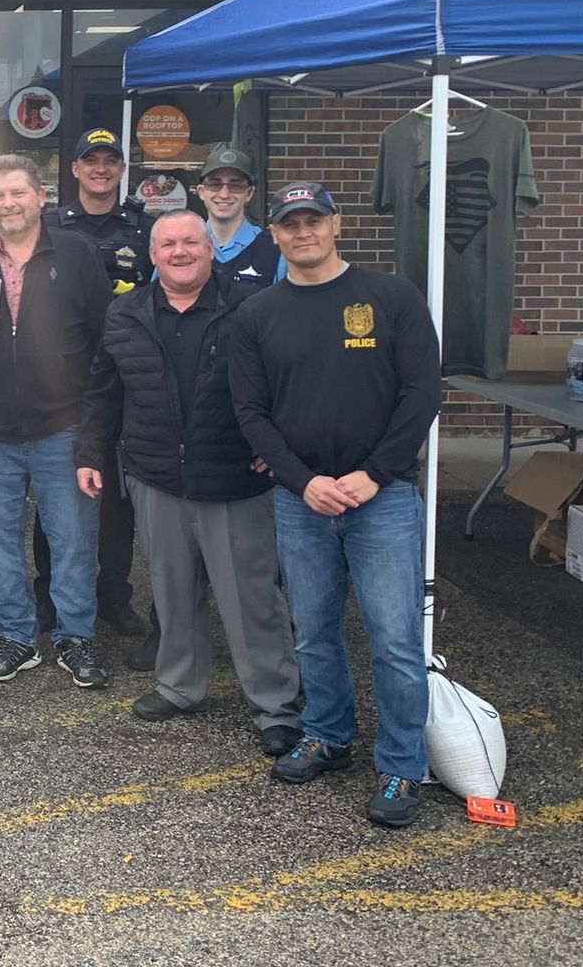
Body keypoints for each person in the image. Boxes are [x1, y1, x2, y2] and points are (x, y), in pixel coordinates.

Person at [228, 182, 442, 829]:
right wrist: (301, 482)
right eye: (290, 224)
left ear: (336, 224)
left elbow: (422, 392)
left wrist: (375, 475)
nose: (303, 233)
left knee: (396, 640)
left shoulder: (392, 298)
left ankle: (403, 766)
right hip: (303, 501)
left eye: (313, 220)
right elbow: (251, 414)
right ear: (274, 234)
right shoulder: (257, 315)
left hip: (383, 498)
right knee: (315, 634)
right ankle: (327, 735)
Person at [77, 208, 302, 755]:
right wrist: (89, 452)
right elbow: (104, 391)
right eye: (168, 245)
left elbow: (287, 383)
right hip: (155, 476)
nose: (179, 253)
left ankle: (276, 705)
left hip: (233, 475)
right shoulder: (125, 313)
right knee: (173, 592)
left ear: (210, 251)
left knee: (250, 597)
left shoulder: (250, 308)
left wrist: (279, 449)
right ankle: (180, 687)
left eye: (190, 243)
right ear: (152, 256)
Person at [0, 155, 113, 688]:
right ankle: (17, 636)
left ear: (41, 196)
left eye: (18, 193)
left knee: (73, 539)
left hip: (63, 426)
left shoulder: (78, 254)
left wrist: (94, 430)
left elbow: (105, 341)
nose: (9, 204)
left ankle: (74, 637)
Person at [49, 125, 155, 663]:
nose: (100, 168)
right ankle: (51, 594)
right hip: (64, 375)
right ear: (74, 169)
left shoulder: (143, 228)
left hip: (126, 374)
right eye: (90, 160)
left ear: (119, 169)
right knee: (58, 487)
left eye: (110, 160)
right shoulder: (51, 227)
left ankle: (113, 593)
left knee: (115, 495)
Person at [196, 143, 285, 298]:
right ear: (202, 192)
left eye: (235, 185)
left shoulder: (275, 249)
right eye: (215, 184)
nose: (224, 194)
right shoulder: (181, 245)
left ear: (249, 193)